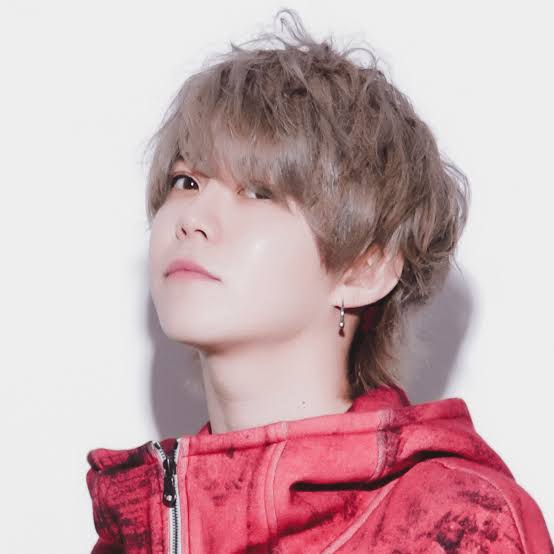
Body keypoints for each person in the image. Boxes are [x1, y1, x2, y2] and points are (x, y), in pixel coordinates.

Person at [86, 8, 552, 553]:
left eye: (257, 191)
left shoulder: (457, 525)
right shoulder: (135, 536)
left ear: (365, 269)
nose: (191, 218)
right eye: (186, 180)